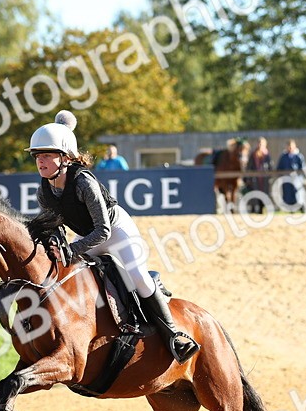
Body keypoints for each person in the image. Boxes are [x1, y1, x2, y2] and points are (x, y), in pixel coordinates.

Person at [27, 110, 199, 363]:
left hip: (116, 230)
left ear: (65, 158)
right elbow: (54, 224)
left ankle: (173, 334)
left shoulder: (84, 182)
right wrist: (53, 240)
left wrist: (72, 250)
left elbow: (104, 230)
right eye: (38, 156)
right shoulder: (45, 189)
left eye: (47, 155)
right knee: (63, 273)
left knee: (138, 278)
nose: (41, 162)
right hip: (88, 235)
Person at [275, 139, 305, 209]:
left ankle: (298, 207)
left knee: (297, 193)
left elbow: (303, 168)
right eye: (289, 146)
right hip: (286, 179)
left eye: (291, 146)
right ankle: (288, 207)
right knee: (287, 194)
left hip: (296, 179)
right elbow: (279, 168)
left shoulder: (298, 156)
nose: (290, 148)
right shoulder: (283, 157)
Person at [246, 137, 272, 201]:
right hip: (255, 179)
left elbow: (270, 167)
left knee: (264, 194)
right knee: (255, 194)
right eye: (259, 143)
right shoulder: (253, 154)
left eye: (262, 144)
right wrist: (248, 178)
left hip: (264, 178)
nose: (260, 145)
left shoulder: (267, 155)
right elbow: (249, 167)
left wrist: (269, 176)